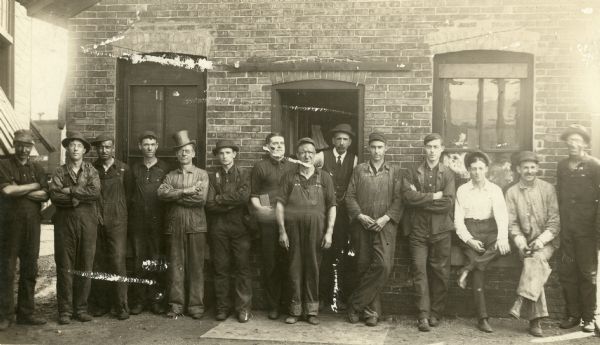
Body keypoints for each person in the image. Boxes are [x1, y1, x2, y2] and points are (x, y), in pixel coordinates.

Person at [345, 131, 404, 327]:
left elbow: (399, 200)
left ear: (386, 148)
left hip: (385, 226)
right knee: (363, 266)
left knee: (383, 266)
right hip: (363, 226)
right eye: (373, 147)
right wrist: (360, 216)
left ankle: (354, 304)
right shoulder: (359, 170)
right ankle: (371, 312)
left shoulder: (394, 171)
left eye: (380, 147)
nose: (377, 151)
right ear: (369, 149)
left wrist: (385, 218)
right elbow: (350, 197)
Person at [276, 138, 336, 325]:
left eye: (310, 152)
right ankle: (294, 310)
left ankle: (311, 311)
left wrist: (329, 232)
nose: (307, 155)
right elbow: (279, 204)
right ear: (297, 154)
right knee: (294, 267)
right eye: (303, 152)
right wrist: (282, 231)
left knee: (313, 267)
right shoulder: (288, 176)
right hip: (293, 229)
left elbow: (332, 206)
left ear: (315, 155)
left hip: (317, 229)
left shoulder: (324, 177)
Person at [402, 133, 455, 332]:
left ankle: (436, 312)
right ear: (424, 149)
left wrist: (421, 201)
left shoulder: (448, 174)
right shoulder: (412, 171)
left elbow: (447, 203)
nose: (432, 151)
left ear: (442, 149)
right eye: (429, 147)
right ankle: (422, 315)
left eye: (435, 147)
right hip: (417, 230)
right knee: (419, 271)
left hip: (441, 230)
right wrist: (434, 196)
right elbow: (408, 197)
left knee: (441, 273)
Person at [454, 151, 510, 333]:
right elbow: (458, 222)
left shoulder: (494, 190)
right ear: (469, 170)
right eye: (473, 169)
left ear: (486, 169)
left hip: (490, 230)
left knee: (498, 247)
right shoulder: (462, 190)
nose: (477, 172)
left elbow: (501, 217)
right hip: (470, 230)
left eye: (480, 168)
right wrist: (469, 240)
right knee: (479, 267)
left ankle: (467, 269)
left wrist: (502, 238)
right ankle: (482, 318)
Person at [506, 151, 560, 337]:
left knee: (535, 259)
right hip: (524, 244)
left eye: (532, 167)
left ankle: (522, 303)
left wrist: (540, 241)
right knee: (533, 262)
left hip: (547, 242)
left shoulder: (548, 189)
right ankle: (534, 320)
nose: (529, 171)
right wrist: (521, 244)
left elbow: (555, 222)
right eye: (525, 168)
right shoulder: (512, 192)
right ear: (518, 170)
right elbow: (512, 224)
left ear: (537, 168)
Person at [49, 131, 102, 325]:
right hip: (65, 221)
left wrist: (71, 190)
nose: (75, 148)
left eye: (79, 146)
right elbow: (54, 195)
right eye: (72, 145)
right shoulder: (59, 171)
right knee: (65, 266)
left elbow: (95, 192)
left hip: (88, 221)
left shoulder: (91, 171)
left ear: (85, 150)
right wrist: (75, 200)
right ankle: (65, 310)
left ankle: (81, 308)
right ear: (67, 148)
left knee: (85, 265)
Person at [0, 130, 49, 330]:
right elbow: (6, 190)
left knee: (30, 269)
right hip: (8, 227)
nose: (23, 149)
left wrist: (20, 189)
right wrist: (33, 186)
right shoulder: (3, 164)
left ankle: (26, 313)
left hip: (32, 226)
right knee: (6, 271)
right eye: (20, 144)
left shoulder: (37, 167)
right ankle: (5, 315)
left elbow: (45, 195)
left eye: (27, 145)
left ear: (32, 147)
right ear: (14, 144)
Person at [157, 130, 209, 319]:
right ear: (176, 155)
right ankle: (176, 305)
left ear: (193, 153)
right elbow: (161, 194)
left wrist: (176, 196)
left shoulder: (202, 175)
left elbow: (200, 200)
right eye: (180, 151)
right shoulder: (170, 176)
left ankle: (196, 306)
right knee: (175, 267)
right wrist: (187, 191)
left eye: (187, 151)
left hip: (196, 226)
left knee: (196, 268)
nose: (184, 154)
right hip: (174, 226)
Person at [556, 124, 600, 332]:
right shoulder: (562, 166)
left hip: (587, 232)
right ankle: (573, 315)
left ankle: (589, 318)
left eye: (577, 140)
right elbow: (560, 197)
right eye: (570, 140)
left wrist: (597, 231)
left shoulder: (594, 166)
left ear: (584, 143)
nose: (573, 144)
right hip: (567, 231)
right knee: (568, 273)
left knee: (587, 274)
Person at [250, 133, 297, 320]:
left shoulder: (293, 166)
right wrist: (262, 207)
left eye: (281, 143)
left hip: (290, 221)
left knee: (290, 263)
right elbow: (255, 193)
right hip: (269, 223)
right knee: (270, 263)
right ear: (267, 146)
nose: (278, 146)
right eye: (274, 143)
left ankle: (289, 304)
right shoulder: (260, 167)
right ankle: (274, 306)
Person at [206, 140, 252, 323]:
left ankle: (243, 309)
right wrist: (229, 205)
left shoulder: (243, 174)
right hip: (218, 228)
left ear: (234, 154)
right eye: (221, 153)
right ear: (218, 156)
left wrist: (221, 200)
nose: (224, 156)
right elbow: (209, 203)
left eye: (228, 152)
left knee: (242, 268)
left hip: (240, 227)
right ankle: (222, 308)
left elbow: (243, 197)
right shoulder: (212, 177)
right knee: (221, 268)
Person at [128, 131, 170, 315]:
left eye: (152, 144)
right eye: (146, 144)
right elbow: (128, 196)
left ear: (157, 146)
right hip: (138, 223)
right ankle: (138, 301)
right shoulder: (133, 169)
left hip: (158, 223)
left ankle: (156, 301)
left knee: (156, 261)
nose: (149, 148)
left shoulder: (165, 168)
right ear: (140, 146)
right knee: (139, 262)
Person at [89, 134, 131, 320]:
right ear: (96, 150)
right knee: (98, 262)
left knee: (117, 262)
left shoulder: (123, 169)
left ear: (113, 148)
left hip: (117, 222)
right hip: (96, 220)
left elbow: (129, 197)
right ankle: (100, 304)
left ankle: (121, 306)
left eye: (107, 147)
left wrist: (119, 215)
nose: (103, 151)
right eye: (100, 148)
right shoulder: (91, 169)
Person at [317, 124, 357, 311]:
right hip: (322, 212)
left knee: (341, 255)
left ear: (350, 142)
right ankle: (322, 298)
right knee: (323, 255)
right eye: (338, 139)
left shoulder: (354, 160)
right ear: (332, 140)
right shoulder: (321, 156)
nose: (341, 143)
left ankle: (340, 299)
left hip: (342, 216)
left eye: (345, 139)